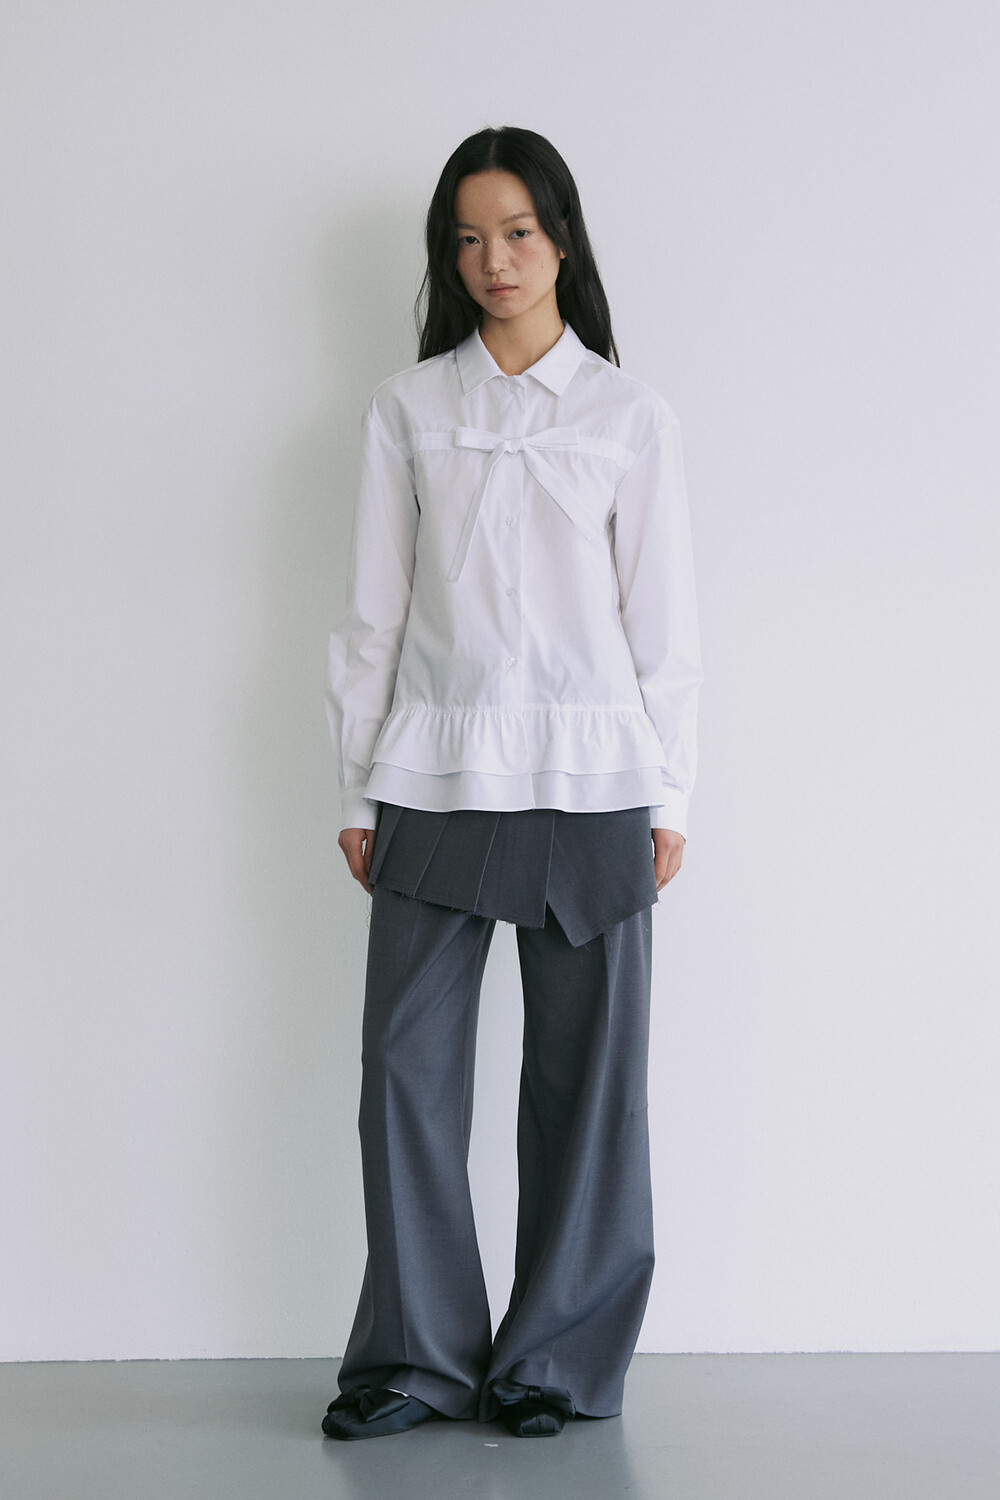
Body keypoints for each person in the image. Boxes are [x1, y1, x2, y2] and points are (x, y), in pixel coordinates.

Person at [322, 125, 702, 1442]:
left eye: (520, 232)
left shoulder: (629, 416)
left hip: (596, 784)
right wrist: (358, 791)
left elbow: (665, 630)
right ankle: (415, 1360)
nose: (496, 260)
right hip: (433, 776)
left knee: (588, 1087)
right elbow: (372, 614)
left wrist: (671, 800)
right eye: (470, 238)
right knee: (403, 1071)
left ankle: (554, 1363)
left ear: (563, 240)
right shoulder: (408, 409)